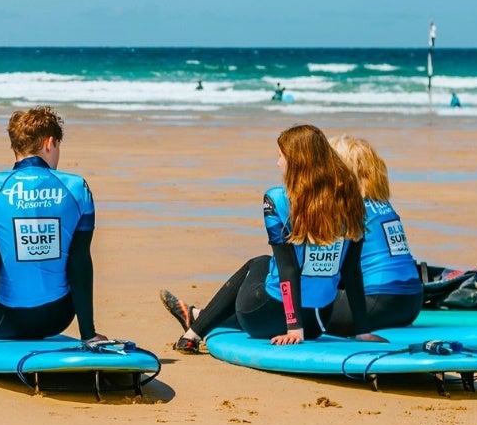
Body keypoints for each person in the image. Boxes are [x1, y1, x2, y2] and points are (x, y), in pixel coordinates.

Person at [160, 124, 376, 352]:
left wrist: (294, 328)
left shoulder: (277, 199)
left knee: (259, 263)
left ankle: (192, 332)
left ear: (296, 162)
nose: (278, 163)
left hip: (267, 316)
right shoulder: (351, 202)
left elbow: (288, 268)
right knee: (268, 265)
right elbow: (352, 271)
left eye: (280, 156)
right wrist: (363, 331)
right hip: (317, 322)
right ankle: (196, 317)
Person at [0, 107, 117, 349]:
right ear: (50, 143)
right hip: (57, 318)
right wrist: (88, 334)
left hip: (5, 320)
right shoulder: (78, 188)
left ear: (14, 145)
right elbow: (79, 262)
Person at [322, 136, 422, 334]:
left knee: (287, 299)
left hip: (374, 303)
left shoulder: (345, 207)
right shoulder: (384, 207)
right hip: (411, 304)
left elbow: (324, 269)